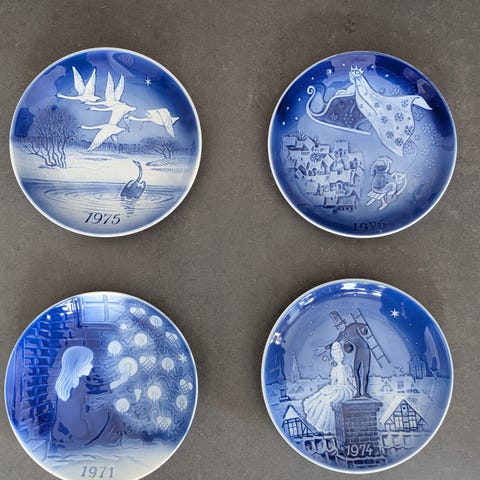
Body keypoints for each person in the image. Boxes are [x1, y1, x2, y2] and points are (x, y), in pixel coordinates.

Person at [52, 346, 122, 448]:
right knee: (108, 412)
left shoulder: (62, 385)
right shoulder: (79, 385)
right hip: (78, 431)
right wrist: (121, 381)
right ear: (79, 365)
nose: (91, 365)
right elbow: (98, 389)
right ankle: (111, 440)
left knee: (97, 412)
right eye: (88, 362)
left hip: (59, 432)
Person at [303, 342, 355, 434]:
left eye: (340, 354)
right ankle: (327, 424)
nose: (339, 356)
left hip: (346, 390)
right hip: (338, 388)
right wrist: (332, 388)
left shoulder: (347, 367)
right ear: (334, 357)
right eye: (336, 355)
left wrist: (355, 390)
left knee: (331, 401)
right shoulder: (334, 369)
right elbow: (333, 383)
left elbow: (351, 380)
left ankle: (333, 426)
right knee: (324, 399)